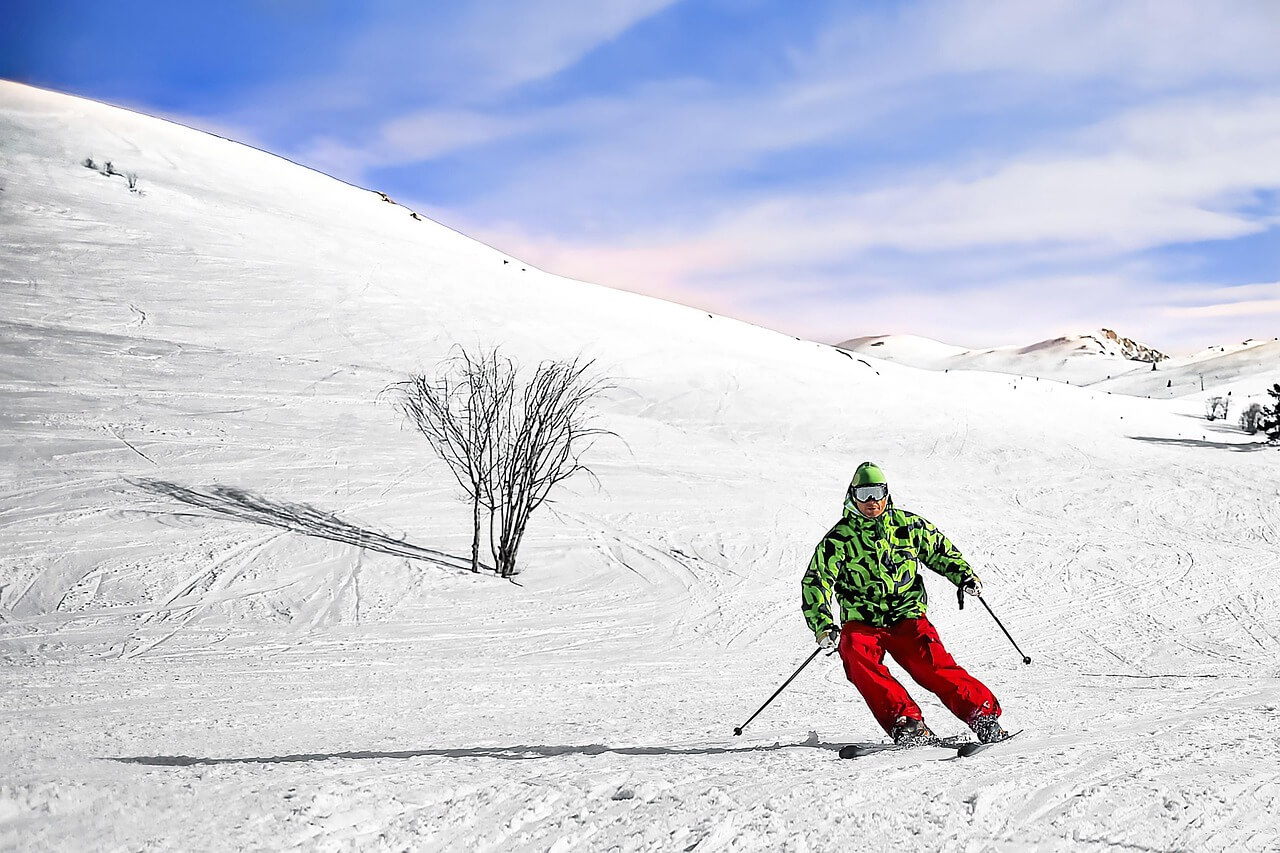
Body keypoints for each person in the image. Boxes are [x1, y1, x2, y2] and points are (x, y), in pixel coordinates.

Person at [801, 461, 1008, 745]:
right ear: (852, 496)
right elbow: (817, 580)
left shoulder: (907, 526)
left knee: (932, 665)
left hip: (907, 615)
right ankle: (907, 721)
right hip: (863, 621)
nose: (872, 501)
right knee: (854, 651)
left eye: (877, 492)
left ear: (887, 493)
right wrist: (823, 625)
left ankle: (981, 714)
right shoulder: (838, 540)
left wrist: (964, 576)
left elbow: (939, 551)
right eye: (864, 494)